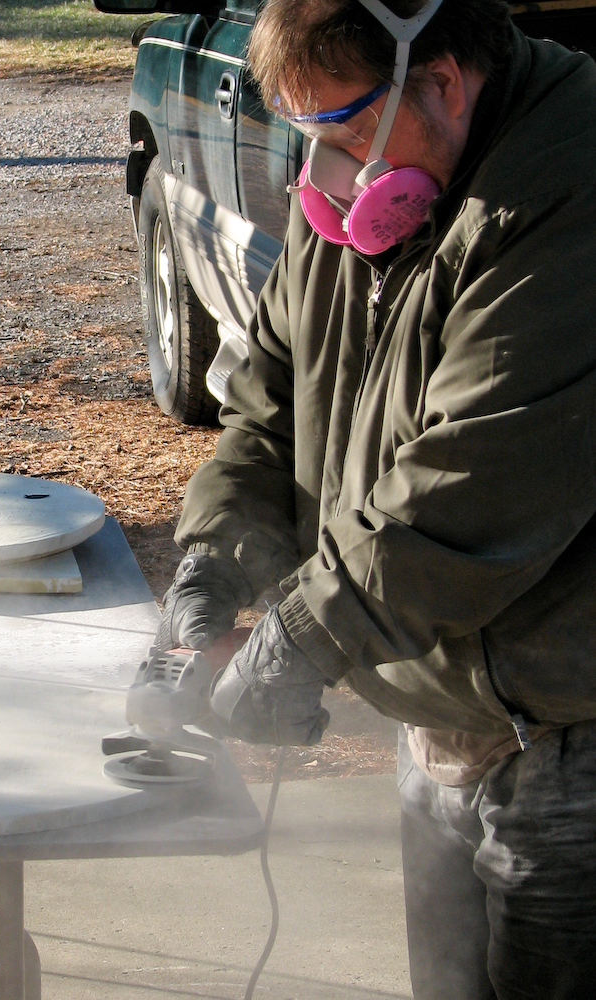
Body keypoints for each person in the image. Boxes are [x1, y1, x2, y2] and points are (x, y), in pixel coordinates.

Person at [155, 0, 596, 996]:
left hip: (567, 737)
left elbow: (473, 482)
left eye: (348, 132)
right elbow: (269, 398)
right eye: (309, 137)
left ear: (440, 80)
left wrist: (302, 638)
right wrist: (213, 566)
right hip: (439, 712)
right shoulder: (368, 190)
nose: (334, 175)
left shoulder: (565, 188)